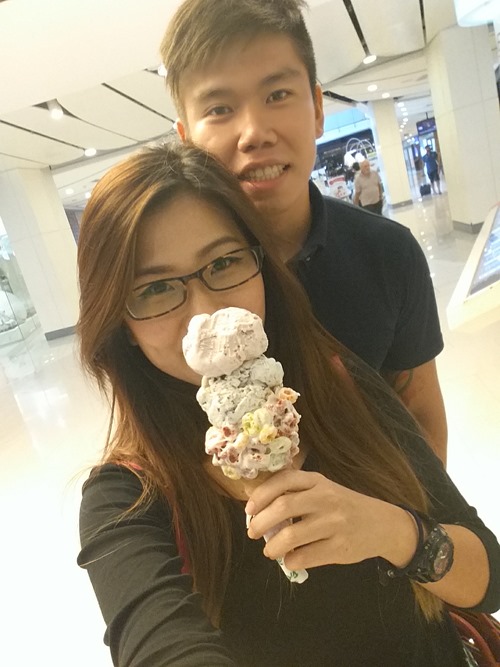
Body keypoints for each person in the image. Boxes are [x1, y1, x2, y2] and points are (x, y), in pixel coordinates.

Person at [77, 141, 500, 667]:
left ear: (261, 266)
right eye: (156, 288)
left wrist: (394, 532)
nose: (205, 314)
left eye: (224, 262)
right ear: (119, 322)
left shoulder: (338, 385)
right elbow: (158, 642)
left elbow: (489, 578)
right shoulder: (124, 499)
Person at [159, 0, 448, 464]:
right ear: (186, 139)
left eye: (277, 95)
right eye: (219, 108)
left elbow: (423, 419)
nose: (254, 133)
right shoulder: (174, 288)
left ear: (317, 108)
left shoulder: (388, 254)